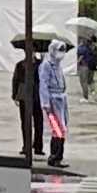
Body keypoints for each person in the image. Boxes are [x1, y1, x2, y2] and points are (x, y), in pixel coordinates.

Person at [10, 23, 45, 164]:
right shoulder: (20, 65)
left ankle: (38, 145)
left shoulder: (40, 65)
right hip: (24, 95)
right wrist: (14, 95)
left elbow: (43, 80)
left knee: (38, 121)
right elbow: (15, 80)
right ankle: (26, 145)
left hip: (37, 95)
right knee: (25, 122)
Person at [37, 31, 71, 172]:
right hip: (53, 99)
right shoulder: (46, 65)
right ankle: (55, 156)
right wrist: (45, 103)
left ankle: (58, 155)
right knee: (57, 129)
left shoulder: (57, 65)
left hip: (61, 98)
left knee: (62, 128)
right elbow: (43, 84)